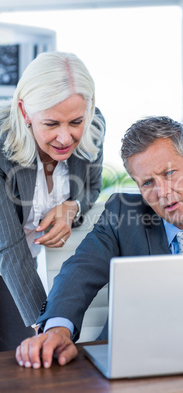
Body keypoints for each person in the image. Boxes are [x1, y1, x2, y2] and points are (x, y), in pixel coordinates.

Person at [16, 116, 183, 368]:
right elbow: (78, 272)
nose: (163, 192)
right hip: (127, 365)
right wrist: (57, 330)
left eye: (169, 173)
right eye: (148, 183)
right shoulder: (122, 215)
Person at [0, 51, 105, 351]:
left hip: (32, 259)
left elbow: (92, 187)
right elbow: (8, 246)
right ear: (24, 112)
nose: (64, 137)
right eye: (51, 124)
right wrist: (47, 326)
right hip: (9, 255)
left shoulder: (94, 127)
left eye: (75, 121)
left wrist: (72, 208)